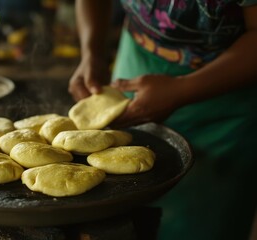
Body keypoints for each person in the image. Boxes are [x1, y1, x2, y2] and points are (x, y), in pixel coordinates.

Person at [68, 0, 257, 240]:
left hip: (227, 90)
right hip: (137, 64)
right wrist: (91, 52)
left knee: (200, 224)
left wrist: (182, 90)